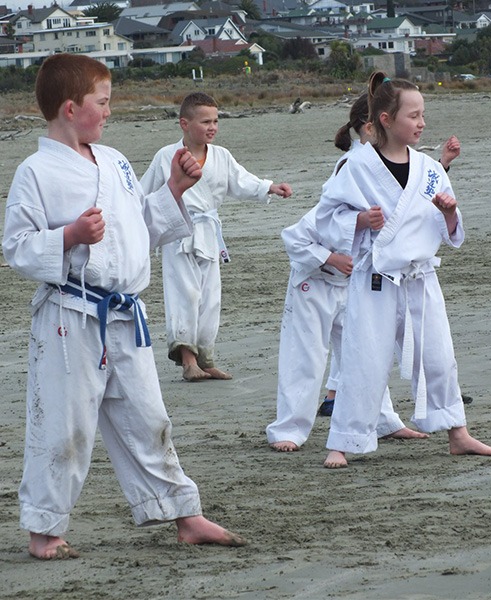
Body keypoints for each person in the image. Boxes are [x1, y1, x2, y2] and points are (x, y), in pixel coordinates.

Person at [2, 54, 246, 560]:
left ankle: (183, 511)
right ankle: (45, 530)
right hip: (70, 316)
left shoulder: (114, 160)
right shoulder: (36, 171)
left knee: (148, 416)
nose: (110, 111)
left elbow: (139, 226)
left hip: (123, 315)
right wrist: (67, 235)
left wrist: (175, 189)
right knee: (64, 426)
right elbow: (17, 247)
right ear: (71, 109)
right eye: (103, 102)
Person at [314, 71, 491, 468]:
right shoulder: (356, 166)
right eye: (413, 116)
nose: (422, 123)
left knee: (439, 355)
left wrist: (449, 215)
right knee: (366, 358)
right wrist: (360, 221)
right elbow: (325, 221)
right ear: (385, 119)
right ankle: (342, 442)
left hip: (420, 278)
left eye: (422, 115)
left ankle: (457, 432)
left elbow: (447, 230)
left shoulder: (429, 168)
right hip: (376, 280)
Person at [266, 94, 428, 452]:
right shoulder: (350, 169)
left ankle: (385, 420)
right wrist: (328, 257)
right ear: (373, 127)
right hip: (314, 281)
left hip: (352, 284)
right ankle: (289, 429)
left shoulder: (386, 170)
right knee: (305, 357)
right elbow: (295, 236)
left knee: (366, 353)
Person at [140, 92, 292, 382]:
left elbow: (241, 180)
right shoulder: (166, 156)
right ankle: (187, 360)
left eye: (216, 121)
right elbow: (143, 190)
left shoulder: (221, 156)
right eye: (205, 121)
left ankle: (206, 356)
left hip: (208, 232)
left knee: (210, 297)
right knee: (184, 294)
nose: (212, 127)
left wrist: (270, 187)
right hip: (178, 232)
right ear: (184, 123)